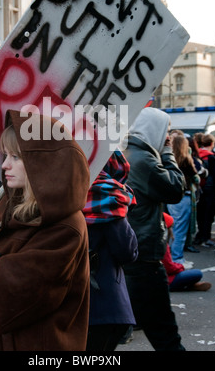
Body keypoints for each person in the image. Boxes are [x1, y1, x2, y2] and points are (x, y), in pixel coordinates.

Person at [0, 110, 90, 351]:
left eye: (17, 157)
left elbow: (11, 292)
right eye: (6, 155)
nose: (5, 164)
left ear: (44, 163)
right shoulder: (13, 206)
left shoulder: (66, 225)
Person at [122, 107, 186, 351]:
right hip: (144, 253)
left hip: (129, 248)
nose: (167, 137)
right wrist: (168, 153)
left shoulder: (128, 151)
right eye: (166, 132)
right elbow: (174, 189)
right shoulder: (143, 159)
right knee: (164, 332)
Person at [82, 150, 138, 351]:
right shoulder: (110, 198)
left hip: (67, 301)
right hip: (104, 303)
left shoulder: (60, 191)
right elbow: (127, 251)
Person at [167, 135, 200, 268]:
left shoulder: (169, 159)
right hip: (184, 196)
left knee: (173, 229)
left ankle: (173, 258)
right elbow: (196, 178)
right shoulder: (186, 160)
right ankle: (177, 258)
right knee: (180, 229)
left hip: (171, 197)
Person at [162, 213, 211, 292]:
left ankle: (189, 285)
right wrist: (181, 267)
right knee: (197, 273)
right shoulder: (162, 243)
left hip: (148, 276)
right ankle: (189, 285)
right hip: (162, 279)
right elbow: (169, 268)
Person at [195, 133, 215, 246]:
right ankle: (205, 236)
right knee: (208, 214)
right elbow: (214, 174)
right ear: (212, 143)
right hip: (209, 188)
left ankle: (199, 235)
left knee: (200, 213)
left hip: (199, 187)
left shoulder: (198, 154)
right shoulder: (211, 157)